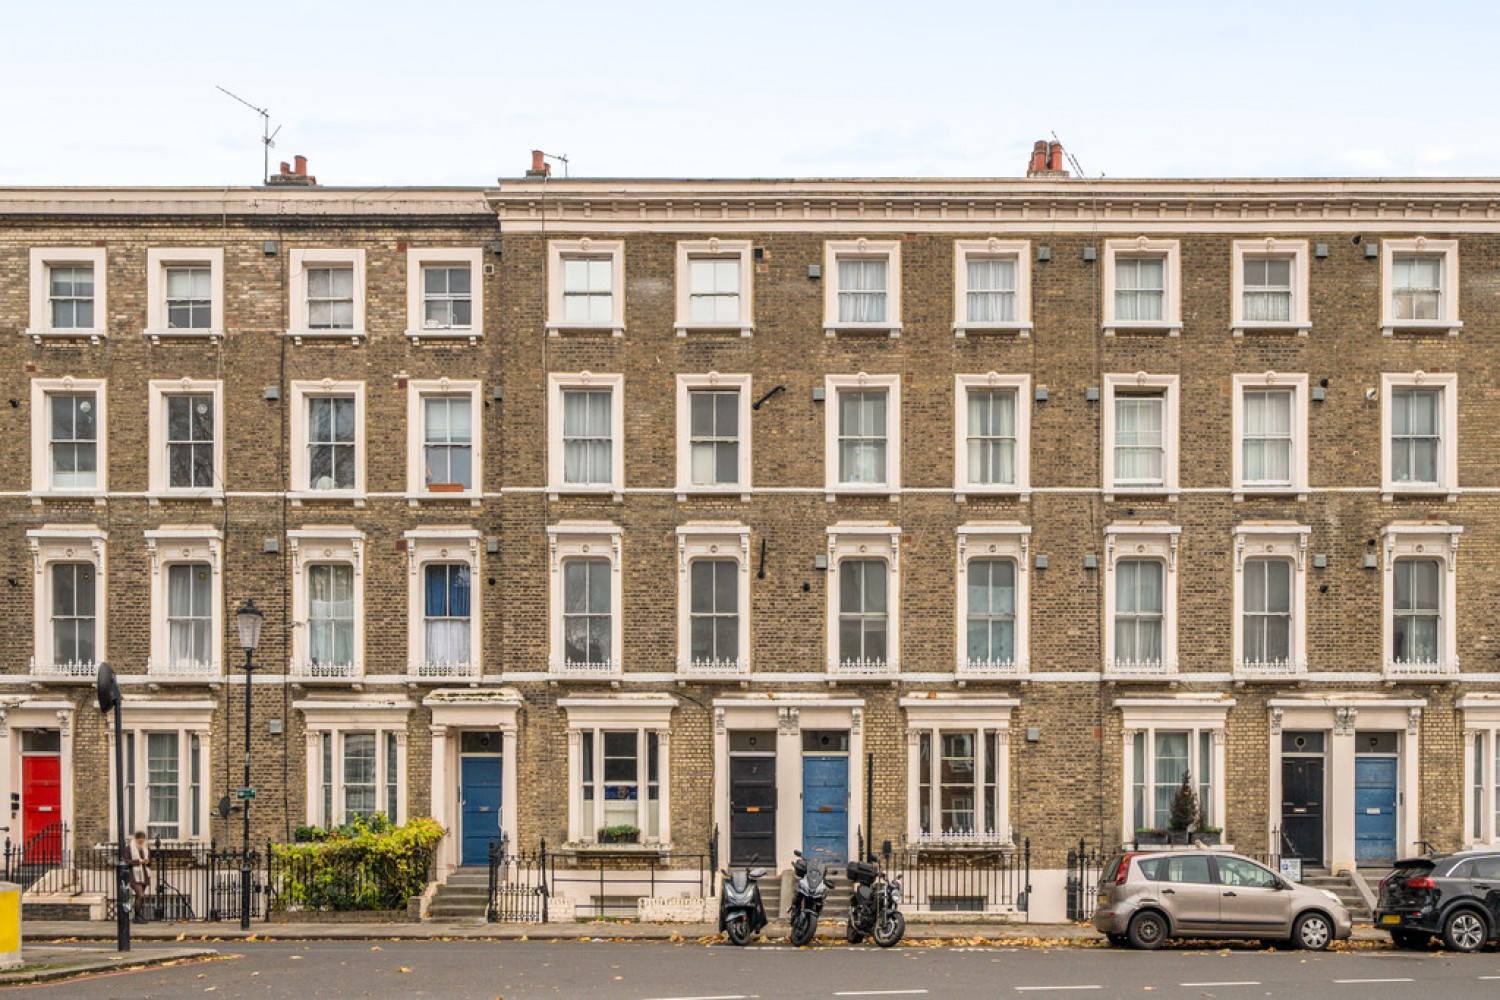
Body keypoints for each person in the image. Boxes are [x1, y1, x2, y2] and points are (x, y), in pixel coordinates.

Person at [128, 832, 152, 923]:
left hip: (144, 874)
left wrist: (147, 861)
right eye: (140, 839)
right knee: (140, 894)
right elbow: (126, 861)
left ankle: (138, 916)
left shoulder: (146, 848)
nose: (141, 841)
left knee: (141, 896)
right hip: (134, 875)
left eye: (143, 839)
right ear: (136, 839)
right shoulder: (129, 848)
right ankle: (137, 916)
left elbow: (149, 861)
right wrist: (138, 862)